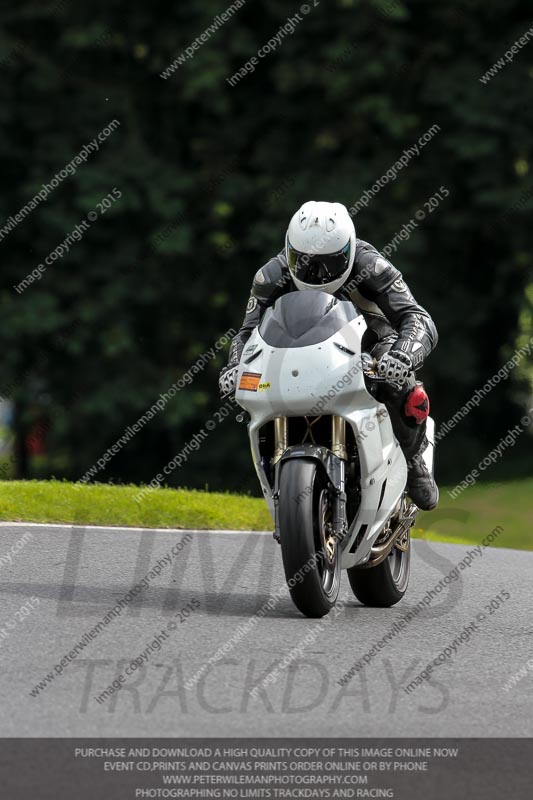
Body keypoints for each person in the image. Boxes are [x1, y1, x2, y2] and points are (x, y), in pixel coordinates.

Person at [219, 201, 438, 510]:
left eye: (329, 263)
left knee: (400, 387)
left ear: (348, 251)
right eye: (305, 262)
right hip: (297, 352)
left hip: (371, 344)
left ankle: (415, 462)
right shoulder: (270, 276)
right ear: (289, 251)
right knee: (251, 393)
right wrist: (234, 366)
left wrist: (402, 355)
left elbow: (417, 317)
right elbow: (247, 332)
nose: (317, 273)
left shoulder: (371, 266)